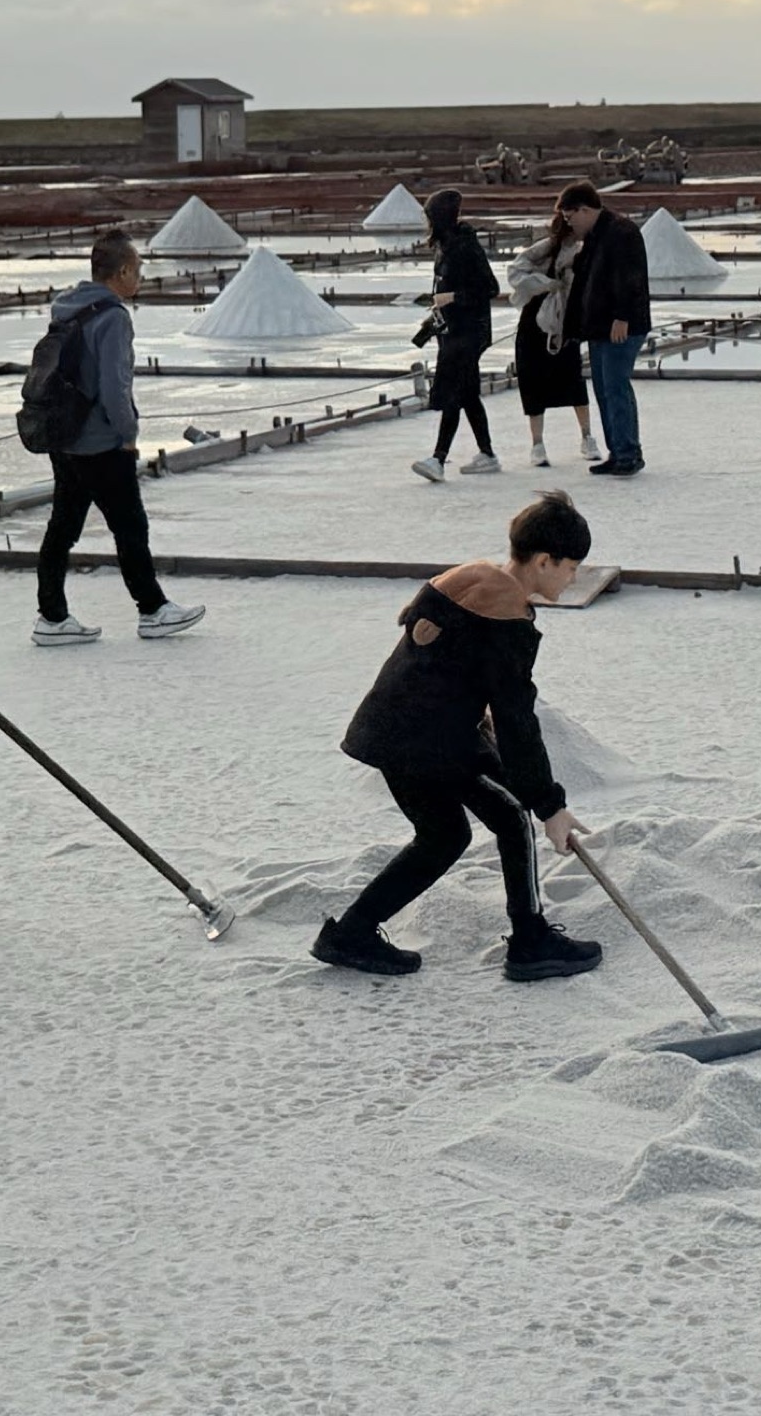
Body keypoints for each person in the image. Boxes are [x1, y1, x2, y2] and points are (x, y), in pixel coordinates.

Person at [312, 494, 604, 981]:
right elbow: (518, 722)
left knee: (443, 836)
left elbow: (449, 668)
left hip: (388, 730)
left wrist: (479, 723)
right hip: (429, 739)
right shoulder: (505, 619)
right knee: (513, 816)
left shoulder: (469, 580)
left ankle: (351, 933)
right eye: (571, 568)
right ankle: (530, 942)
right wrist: (550, 806)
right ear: (544, 561)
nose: (573, 578)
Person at [32, 231, 208, 646]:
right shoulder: (112, 317)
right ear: (124, 271)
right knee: (130, 526)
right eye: (139, 271)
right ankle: (153, 610)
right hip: (100, 441)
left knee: (63, 526)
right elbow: (114, 385)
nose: (140, 280)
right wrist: (128, 433)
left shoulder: (68, 308)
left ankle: (51, 617)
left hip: (66, 437)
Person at [409, 187, 503, 484]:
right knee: (468, 393)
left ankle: (438, 459)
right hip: (451, 331)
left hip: (469, 332)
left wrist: (452, 298)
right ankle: (487, 454)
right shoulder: (445, 247)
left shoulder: (465, 246)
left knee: (454, 393)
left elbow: (490, 288)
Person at [561, 181, 649, 476]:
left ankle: (628, 453)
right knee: (603, 389)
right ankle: (618, 450)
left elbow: (631, 277)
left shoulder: (621, 232)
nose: (568, 223)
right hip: (599, 327)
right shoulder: (595, 236)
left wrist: (623, 317)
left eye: (569, 217)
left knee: (615, 387)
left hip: (620, 327)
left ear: (585, 210)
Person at [504, 198, 598, 470]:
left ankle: (587, 436)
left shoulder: (582, 252)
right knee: (532, 382)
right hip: (535, 321)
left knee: (573, 379)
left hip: (563, 323)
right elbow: (516, 271)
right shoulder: (543, 250)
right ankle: (537, 444)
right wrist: (546, 284)